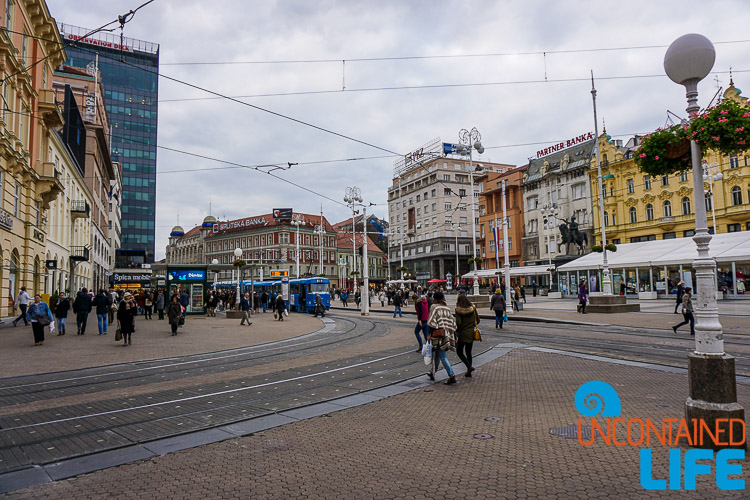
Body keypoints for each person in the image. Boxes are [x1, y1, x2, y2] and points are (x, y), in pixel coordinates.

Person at [426, 291, 457, 385]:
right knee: (438, 354)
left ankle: (452, 375)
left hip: (438, 335)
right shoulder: (446, 308)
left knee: (442, 355)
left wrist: (429, 334)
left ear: (435, 298)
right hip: (447, 334)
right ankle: (432, 372)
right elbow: (452, 322)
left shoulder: (434, 307)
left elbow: (431, 322)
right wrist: (454, 335)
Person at [455, 294, 480, 378]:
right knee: (469, 352)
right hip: (471, 333)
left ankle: (469, 367)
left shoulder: (458, 310)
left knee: (459, 351)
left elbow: (459, 323)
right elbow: (478, 320)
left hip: (462, 334)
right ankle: (469, 372)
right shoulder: (473, 308)